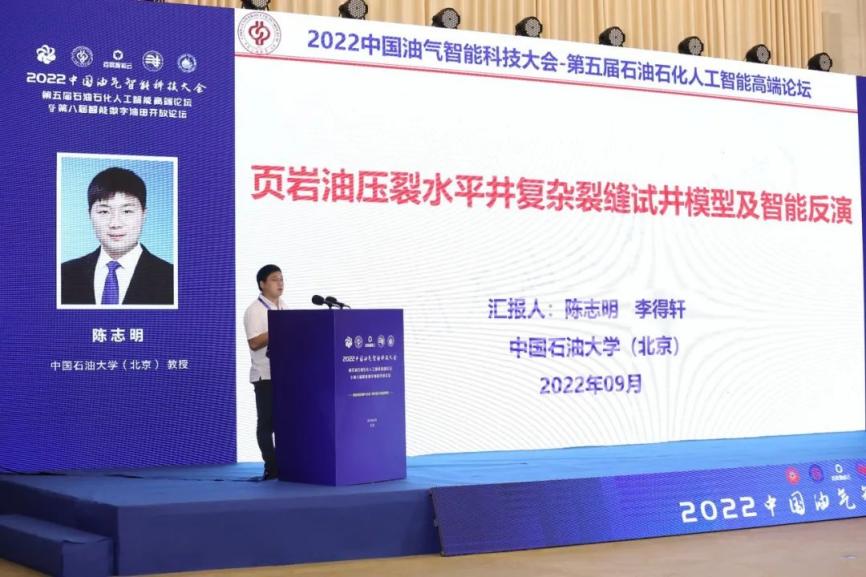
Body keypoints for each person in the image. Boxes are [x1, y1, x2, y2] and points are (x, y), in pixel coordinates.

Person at [60, 167, 173, 305]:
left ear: (144, 215)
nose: (115, 224)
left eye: (127, 211)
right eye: (104, 212)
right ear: (89, 215)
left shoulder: (172, 277)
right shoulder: (63, 274)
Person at [243, 264, 286, 480]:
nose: (280, 283)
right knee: (266, 423)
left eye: (281, 279)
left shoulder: (284, 307)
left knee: (285, 421)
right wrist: (278, 329)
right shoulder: (254, 310)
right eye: (275, 279)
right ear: (262, 284)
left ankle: (286, 462)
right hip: (265, 375)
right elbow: (254, 342)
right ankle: (271, 466)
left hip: (286, 374)